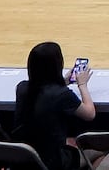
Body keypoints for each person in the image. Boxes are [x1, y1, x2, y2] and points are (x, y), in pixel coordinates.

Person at [12, 42, 96, 170]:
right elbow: (90, 114)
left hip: (24, 159)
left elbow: (44, 92)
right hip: (53, 162)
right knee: (98, 150)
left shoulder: (21, 88)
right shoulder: (62, 94)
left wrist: (62, 82)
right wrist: (82, 85)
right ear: (58, 65)